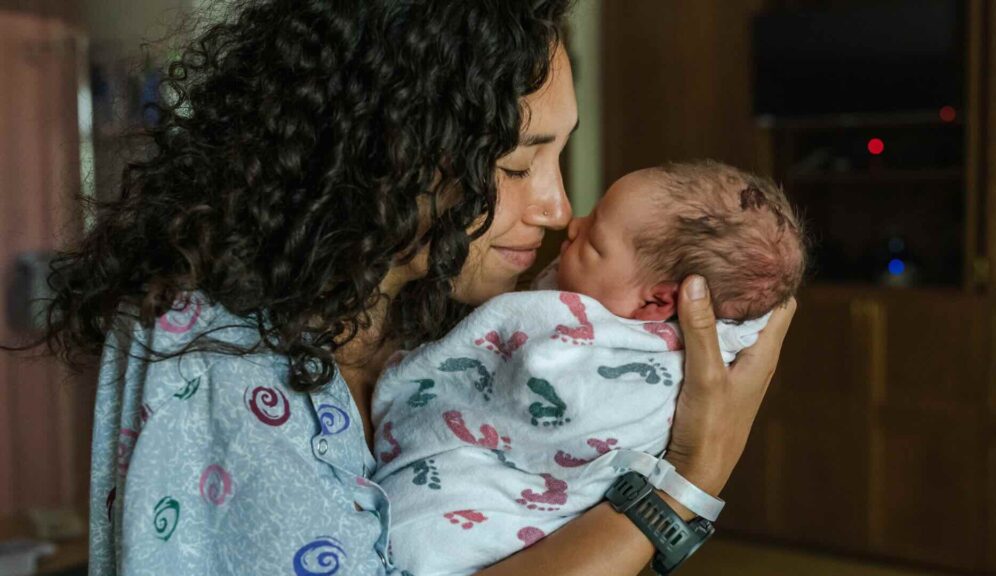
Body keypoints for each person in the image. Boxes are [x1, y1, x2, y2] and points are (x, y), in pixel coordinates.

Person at [19, 1, 795, 574]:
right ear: (392, 153)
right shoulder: (226, 357)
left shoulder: (435, 317)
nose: (559, 211)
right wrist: (686, 486)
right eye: (520, 166)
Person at [370, 161, 806, 575]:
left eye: (594, 243)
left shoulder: (639, 366)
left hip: (466, 534)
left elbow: (539, 385)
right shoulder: (617, 309)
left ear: (656, 301)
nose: (571, 223)